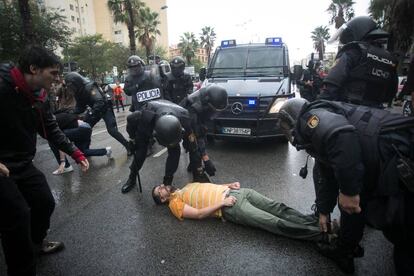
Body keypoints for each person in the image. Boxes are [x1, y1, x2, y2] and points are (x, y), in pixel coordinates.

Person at [277, 98, 414, 274]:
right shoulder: (319, 130)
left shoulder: (310, 117)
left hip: (401, 158)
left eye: (286, 129)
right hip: (381, 163)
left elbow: (341, 135)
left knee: (405, 241)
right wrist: (323, 211)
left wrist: (349, 191)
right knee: (352, 207)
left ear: (292, 119)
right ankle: (345, 251)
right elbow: (327, 173)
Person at [0, 46, 89, 276]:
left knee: (44, 202)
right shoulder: (2, 85)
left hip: (22, 163)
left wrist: (75, 153)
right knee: (18, 217)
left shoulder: (39, 95)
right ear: (34, 69)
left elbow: (49, 128)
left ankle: (36, 244)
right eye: (53, 73)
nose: (58, 79)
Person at [152, 181, 330, 242]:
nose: (161, 187)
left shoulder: (185, 187)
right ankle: (321, 235)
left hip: (239, 192)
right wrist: (223, 203)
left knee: (279, 208)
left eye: (160, 186)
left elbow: (210, 186)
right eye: (159, 191)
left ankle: (316, 223)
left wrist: (229, 185)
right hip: (231, 206)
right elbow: (199, 215)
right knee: (273, 222)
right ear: (162, 199)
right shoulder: (174, 204)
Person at [121, 99, 210, 193]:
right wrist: (132, 139)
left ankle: (167, 181)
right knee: (140, 154)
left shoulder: (185, 119)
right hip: (148, 125)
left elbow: (193, 147)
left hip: (173, 122)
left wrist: (199, 171)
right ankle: (132, 177)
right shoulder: (144, 115)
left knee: (175, 152)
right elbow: (130, 120)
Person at [319, 16, 398, 107]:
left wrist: (318, 105)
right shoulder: (389, 58)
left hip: (348, 110)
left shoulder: (354, 51)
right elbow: (391, 93)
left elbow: (332, 85)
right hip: (376, 112)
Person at [64, 72, 131, 155]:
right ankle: (85, 149)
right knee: (85, 127)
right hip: (95, 110)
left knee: (112, 130)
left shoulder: (89, 87)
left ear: (76, 82)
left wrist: (91, 113)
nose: (71, 88)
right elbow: (80, 107)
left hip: (105, 108)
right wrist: (70, 113)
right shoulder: (78, 92)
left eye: (71, 85)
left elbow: (99, 102)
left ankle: (128, 146)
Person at [180, 84, 228, 176]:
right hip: (185, 119)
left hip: (198, 117)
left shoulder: (212, 94)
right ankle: (197, 173)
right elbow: (197, 135)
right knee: (193, 145)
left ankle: (194, 163)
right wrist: (206, 159)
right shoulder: (193, 109)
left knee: (201, 138)